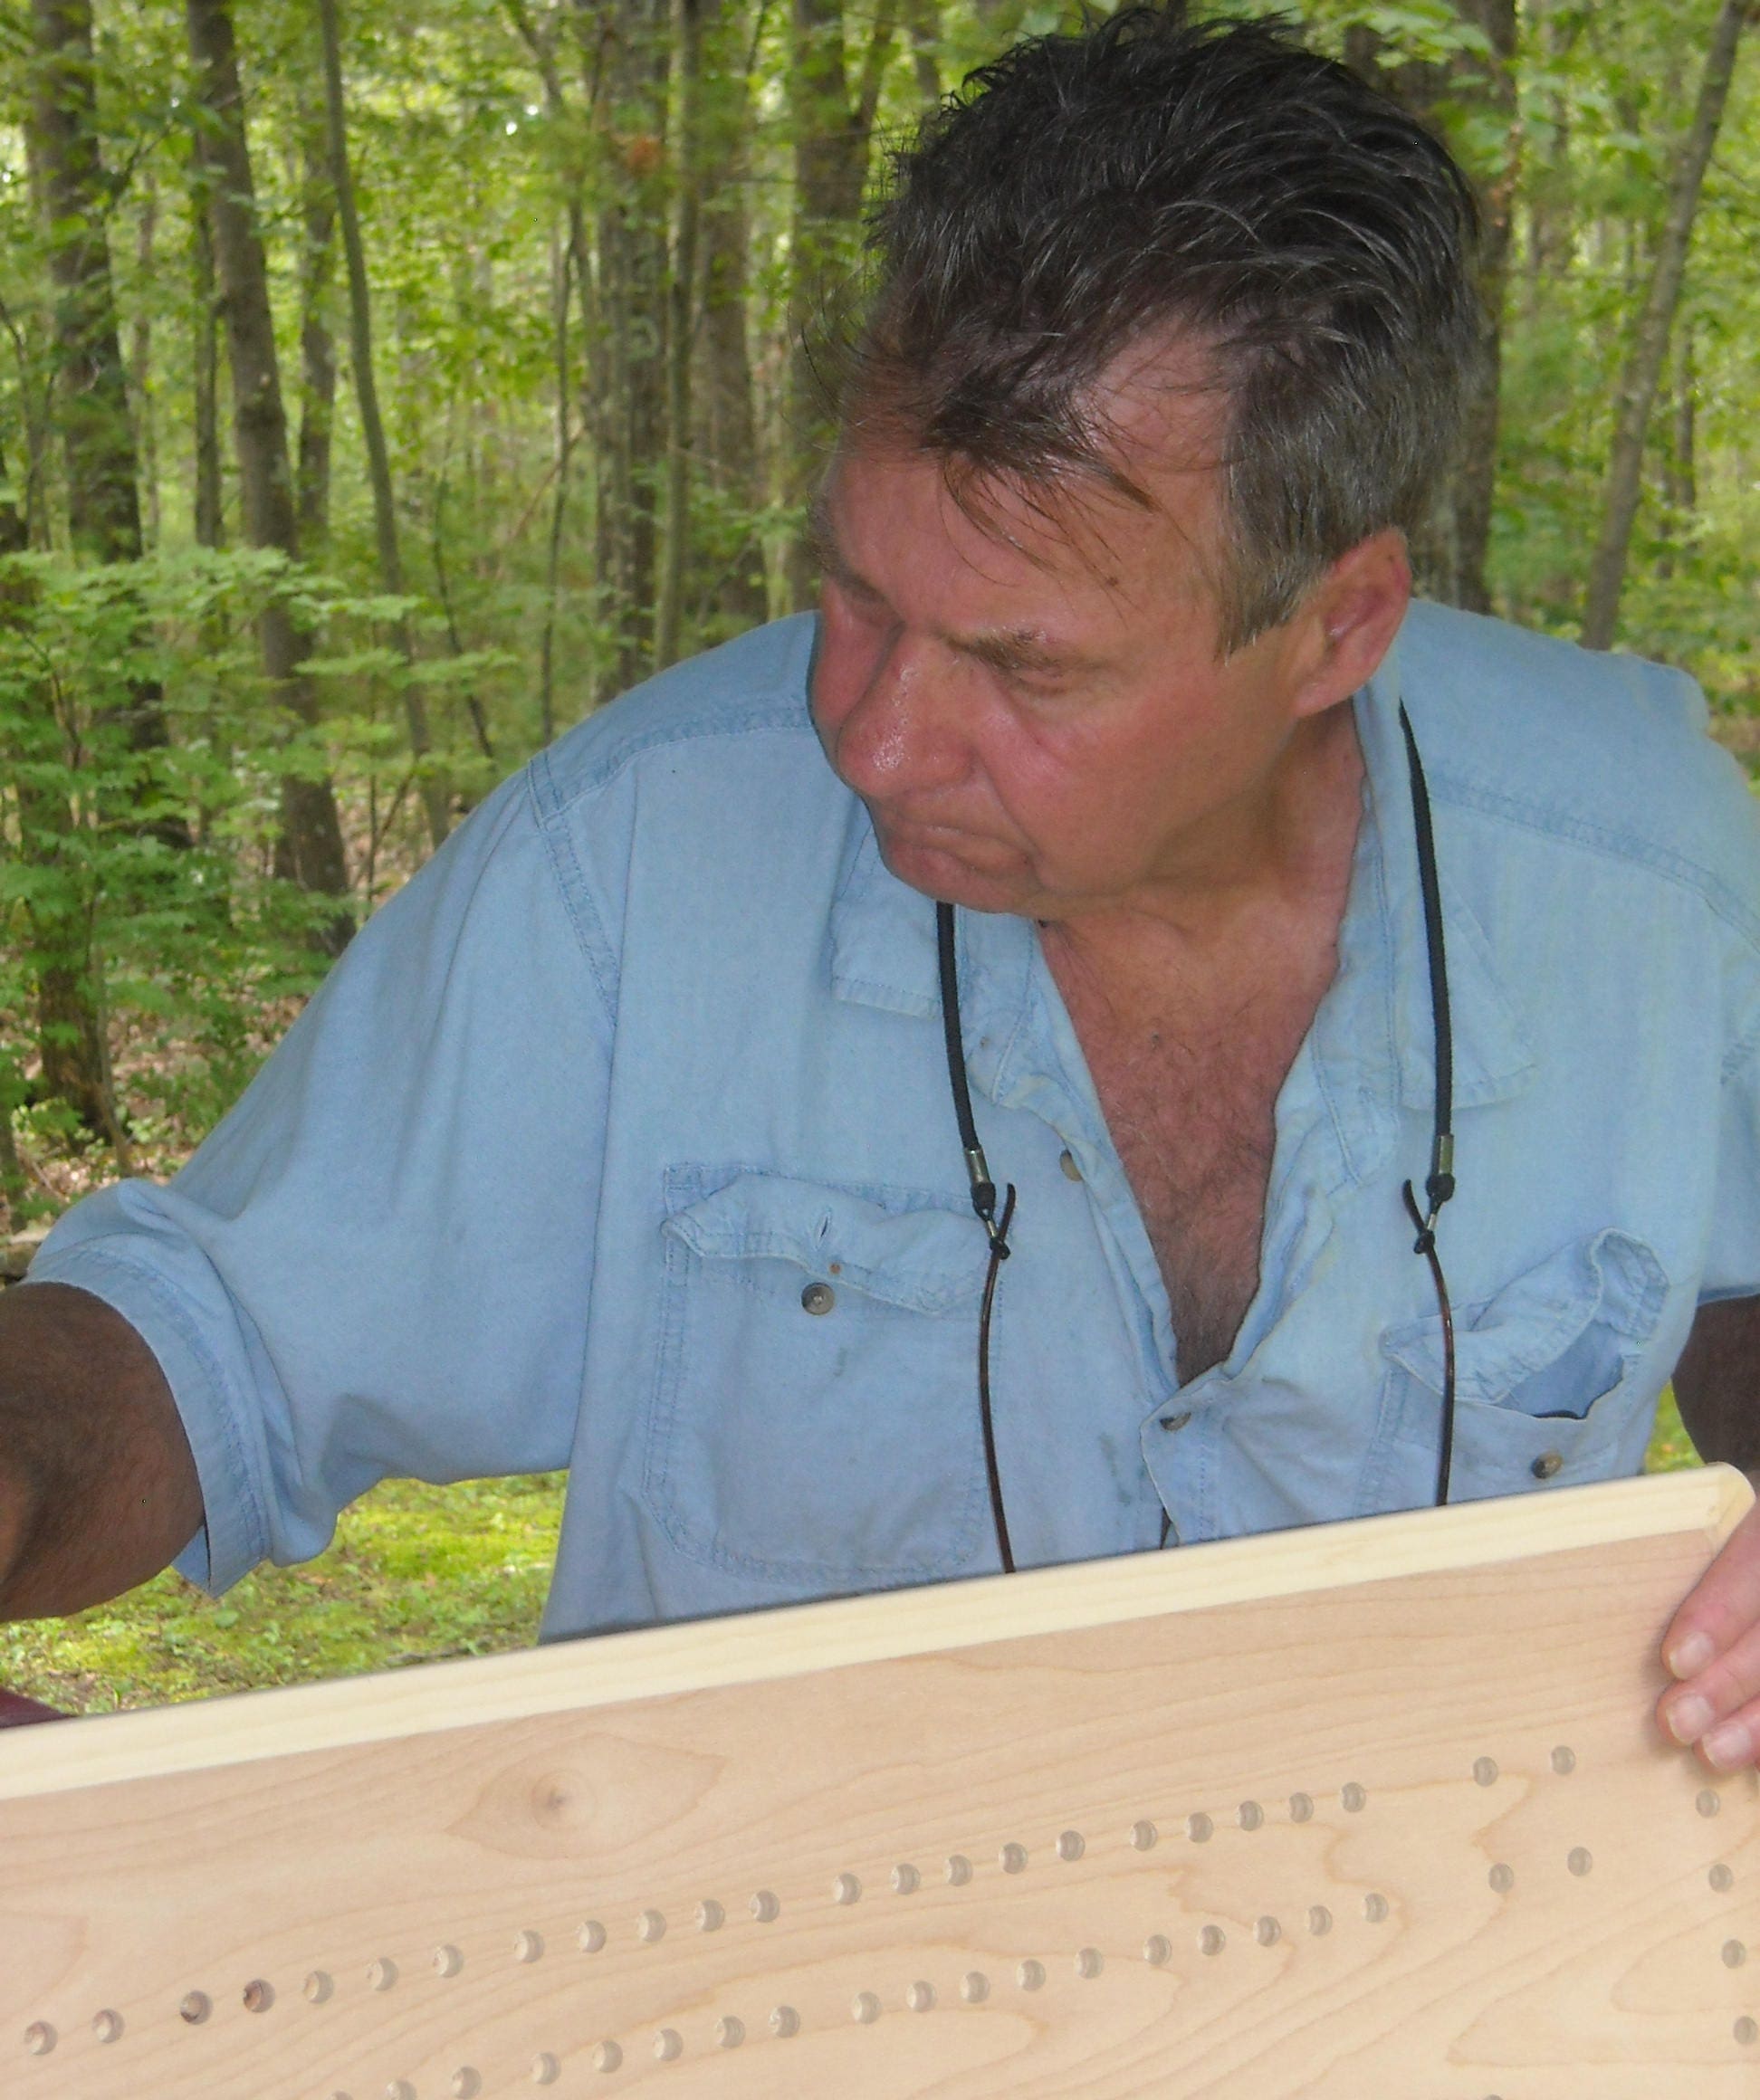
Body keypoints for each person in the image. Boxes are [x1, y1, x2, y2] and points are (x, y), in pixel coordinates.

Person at [3, 10, 1758, 1773]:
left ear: (1337, 626)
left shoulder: (1647, 870)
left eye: (1025, 665)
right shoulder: (633, 860)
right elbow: (206, 1343)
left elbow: (1737, 1278)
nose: (875, 736)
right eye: (855, 589)